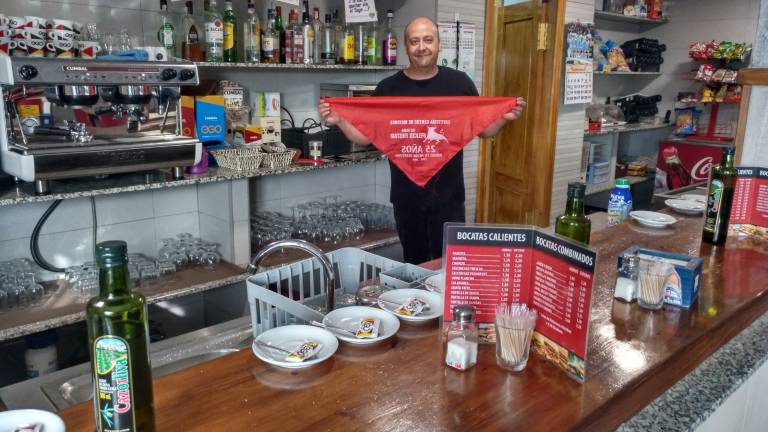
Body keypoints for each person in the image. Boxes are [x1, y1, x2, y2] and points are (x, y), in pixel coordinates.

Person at [319, 17, 526, 264]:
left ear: (438, 44)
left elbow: (483, 130)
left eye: (428, 40)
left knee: (450, 263)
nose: (422, 47)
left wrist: (503, 117)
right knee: (414, 264)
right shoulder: (388, 88)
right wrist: (340, 120)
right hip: (407, 199)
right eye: (414, 41)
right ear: (406, 47)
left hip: (449, 198)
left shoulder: (459, 83)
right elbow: (365, 137)